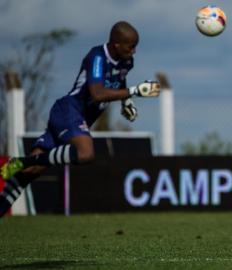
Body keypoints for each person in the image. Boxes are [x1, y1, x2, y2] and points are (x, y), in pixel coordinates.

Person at [0, 21, 161, 217]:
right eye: (131, 46)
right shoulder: (97, 57)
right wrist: (135, 91)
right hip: (69, 111)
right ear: (116, 44)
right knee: (85, 154)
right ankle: (23, 161)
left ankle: (20, 167)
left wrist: (126, 102)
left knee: (31, 172)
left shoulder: (127, 61)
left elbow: (120, 78)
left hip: (77, 118)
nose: (134, 51)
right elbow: (97, 94)